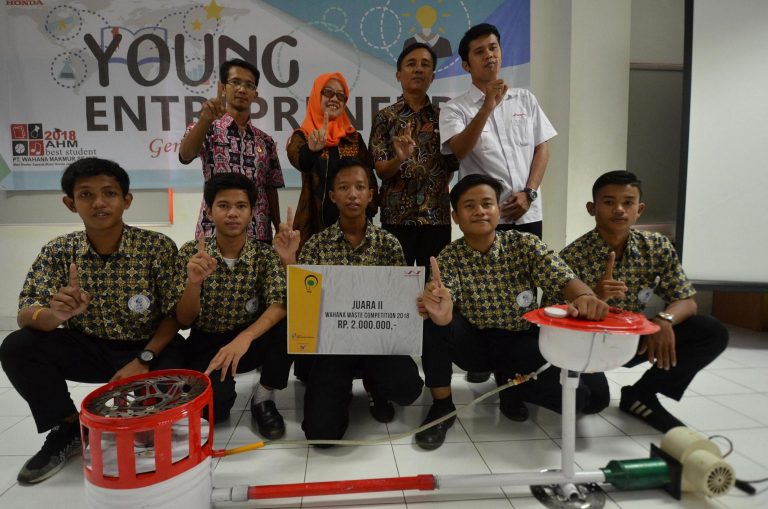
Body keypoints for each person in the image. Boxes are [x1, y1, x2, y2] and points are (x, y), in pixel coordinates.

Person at [0, 157, 183, 484]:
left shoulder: (156, 247)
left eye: (109, 193)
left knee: (180, 362)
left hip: (147, 348)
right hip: (87, 348)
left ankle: (145, 415)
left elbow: (175, 315)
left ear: (126, 200)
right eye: (86, 194)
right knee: (18, 346)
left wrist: (144, 359)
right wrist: (55, 315)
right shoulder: (59, 251)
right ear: (71, 203)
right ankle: (69, 426)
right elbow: (27, 313)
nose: (99, 202)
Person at [415, 174, 609, 450]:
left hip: (521, 341)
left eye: (487, 204)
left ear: (498, 209)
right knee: (431, 320)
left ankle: (512, 384)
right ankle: (442, 407)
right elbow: (444, 303)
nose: (480, 211)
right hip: (475, 346)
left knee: (592, 399)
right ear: (456, 216)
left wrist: (584, 295)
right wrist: (442, 312)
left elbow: (562, 276)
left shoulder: (524, 244)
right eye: (469, 206)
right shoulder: (448, 257)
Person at [552, 170, 729, 432]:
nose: (619, 210)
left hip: (634, 339)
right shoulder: (572, 256)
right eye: (609, 202)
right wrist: (594, 298)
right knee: (591, 401)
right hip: (587, 345)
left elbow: (686, 300)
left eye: (628, 202)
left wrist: (664, 320)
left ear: (639, 209)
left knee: (710, 331)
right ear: (592, 208)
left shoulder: (656, 247)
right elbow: (554, 318)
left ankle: (643, 394)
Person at [277, 157, 424, 444]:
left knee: (408, 388)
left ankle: (374, 385)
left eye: (360, 187)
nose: (353, 194)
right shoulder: (316, 245)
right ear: (333, 196)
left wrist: (418, 302)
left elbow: (400, 302)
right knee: (321, 434)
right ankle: (339, 388)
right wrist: (289, 261)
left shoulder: (389, 244)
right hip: (333, 346)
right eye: (344, 188)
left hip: (378, 343)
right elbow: (302, 306)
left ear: (371, 194)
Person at [174, 173, 290, 438]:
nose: (232, 214)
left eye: (241, 206)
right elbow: (183, 319)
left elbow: (280, 304)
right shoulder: (192, 253)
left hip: (251, 340)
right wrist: (193, 283)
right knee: (215, 411)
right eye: (223, 205)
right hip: (207, 342)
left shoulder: (264, 254)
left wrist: (245, 337)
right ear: (209, 211)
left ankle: (264, 399)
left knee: (289, 324)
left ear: (252, 212)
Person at [439, 23, 556, 239]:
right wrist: (487, 107)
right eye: (479, 51)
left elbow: (542, 147)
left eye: (493, 48)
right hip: (484, 218)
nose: (489, 55)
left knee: (532, 262)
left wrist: (529, 193)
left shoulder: (524, 98)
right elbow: (460, 151)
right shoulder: (454, 109)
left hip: (528, 212)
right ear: (466, 66)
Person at [369, 42, 458, 282]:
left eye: (425, 65)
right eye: (411, 64)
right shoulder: (385, 117)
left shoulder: (444, 117)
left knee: (436, 285)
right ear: (399, 74)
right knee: (396, 288)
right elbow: (380, 170)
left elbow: (451, 166)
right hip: (397, 219)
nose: (418, 69)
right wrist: (399, 158)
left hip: (436, 218)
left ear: (433, 76)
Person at [179, 58, 283, 242]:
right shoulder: (208, 128)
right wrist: (205, 120)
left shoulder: (265, 141)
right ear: (222, 88)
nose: (242, 89)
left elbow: (270, 188)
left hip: (258, 233)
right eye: (235, 82)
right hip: (214, 231)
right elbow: (185, 155)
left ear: (255, 94)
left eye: (249, 85)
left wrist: (278, 226)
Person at [287, 72, 378, 250]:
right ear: (316, 96)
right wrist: (312, 150)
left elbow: (369, 180)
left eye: (340, 95)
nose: (334, 98)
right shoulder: (303, 136)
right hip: (315, 228)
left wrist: (368, 216)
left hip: (354, 230)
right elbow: (300, 161)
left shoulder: (353, 138)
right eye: (328, 92)